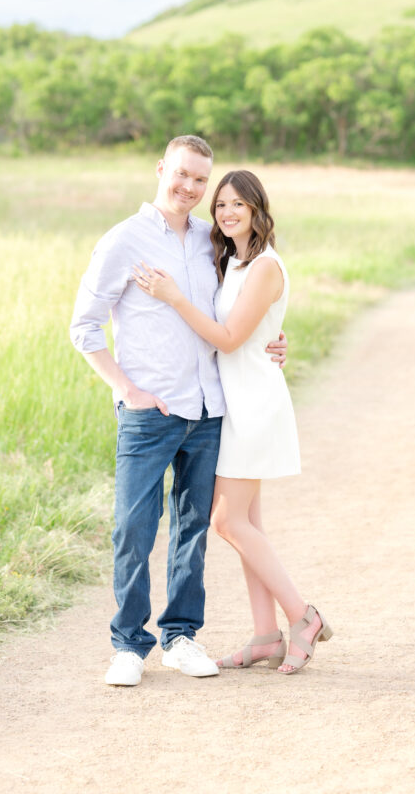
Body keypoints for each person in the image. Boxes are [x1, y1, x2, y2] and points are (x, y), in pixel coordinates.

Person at [70, 137, 288, 686]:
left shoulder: (210, 242)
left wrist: (273, 339)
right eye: (183, 175)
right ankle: (128, 644)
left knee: (193, 530)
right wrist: (126, 388)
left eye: (200, 181)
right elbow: (84, 326)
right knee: (135, 528)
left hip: (210, 409)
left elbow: (236, 313)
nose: (190, 188)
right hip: (150, 410)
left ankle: (181, 636)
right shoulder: (124, 239)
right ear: (162, 169)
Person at [133, 169, 332, 675]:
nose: (226, 212)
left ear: (257, 210)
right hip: (234, 402)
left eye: (238, 204)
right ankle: (266, 635)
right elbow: (251, 326)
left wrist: (173, 297)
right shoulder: (234, 262)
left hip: (255, 404)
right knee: (249, 523)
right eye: (220, 205)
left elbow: (227, 339)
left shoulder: (265, 266)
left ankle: (302, 616)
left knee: (226, 520)